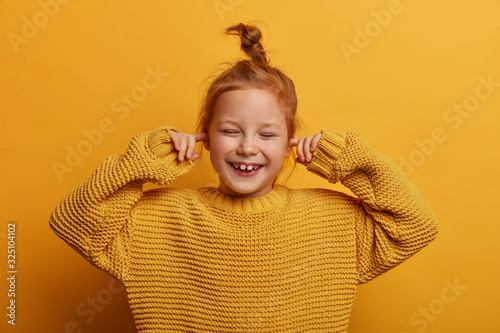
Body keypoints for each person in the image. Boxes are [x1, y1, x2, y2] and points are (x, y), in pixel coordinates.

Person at [49, 22, 439, 332]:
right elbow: (73, 222)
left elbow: (415, 226)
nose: (248, 147)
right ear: (205, 135)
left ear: (290, 143)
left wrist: (350, 160)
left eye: (267, 134)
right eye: (230, 131)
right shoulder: (157, 219)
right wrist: (147, 160)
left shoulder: (334, 221)